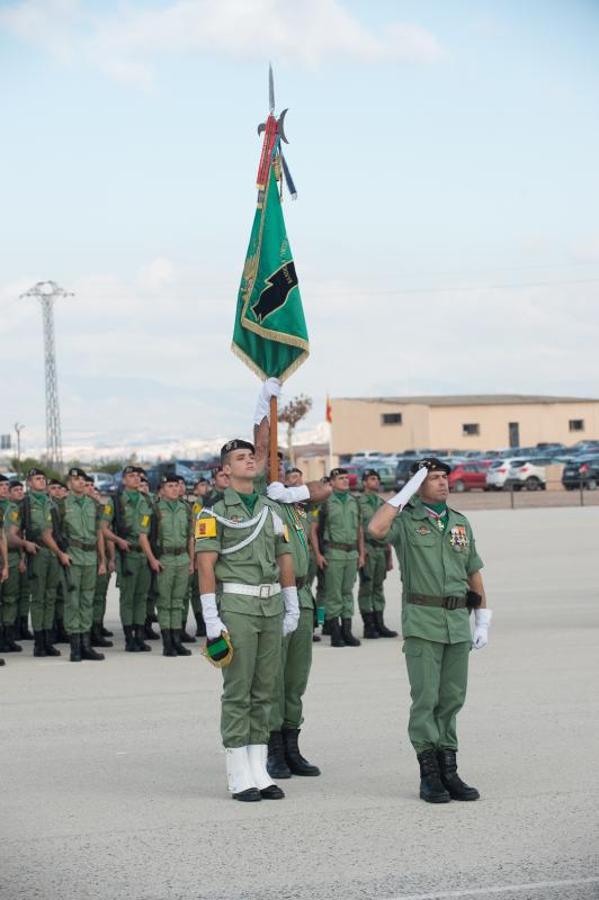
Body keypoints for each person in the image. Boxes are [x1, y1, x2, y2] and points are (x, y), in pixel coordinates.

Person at [368, 458, 493, 804]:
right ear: (418, 485)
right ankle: (429, 774)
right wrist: (404, 494)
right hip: (423, 621)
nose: (443, 483)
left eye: (444, 477)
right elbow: (376, 529)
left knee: (452, 698)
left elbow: (473, 571)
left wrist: (483, 618)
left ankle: (449, 769)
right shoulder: (406, 522)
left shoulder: (460, 523)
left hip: (457, 623)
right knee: (426, 699)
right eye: (433, 478)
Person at [196, 439, 299, 802]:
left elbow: (284, 556)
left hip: (271, 605)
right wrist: (211, 618)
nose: (250, 461)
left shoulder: (271, 509)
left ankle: (259, 768)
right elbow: (205, 566)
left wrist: (292, 603)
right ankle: (238, 772)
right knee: (238, 690)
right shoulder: (213, 513)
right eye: (240, 458)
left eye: (251, 456)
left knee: (265, 690)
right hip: (238, 606)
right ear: (226, 470)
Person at [252, 379, 331, 777]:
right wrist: (263, 403)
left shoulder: (292, 500)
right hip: (273, 599)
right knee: (272, 677)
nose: (278, 467)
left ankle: (292, 744)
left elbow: (323, 489)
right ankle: (272, 747)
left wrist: (293, 492)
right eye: (273, 463)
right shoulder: (259, 500)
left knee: (296, 678)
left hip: (302, 596)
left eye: (282, 464)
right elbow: (260, 446)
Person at [44, 467, 106, 662]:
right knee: (73, 601)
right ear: (69, 484)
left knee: (87, 601)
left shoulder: (93, 504)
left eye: (82, 479)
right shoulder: (60, 505)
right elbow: (47, 534)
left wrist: (102, 559)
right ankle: (75, 648)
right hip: (72, 558)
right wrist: (60, 553)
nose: (80, 482)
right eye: (76, 479)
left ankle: (86, 646)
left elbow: (98, 534)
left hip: (90, 558)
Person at [310, 467, 365, 647]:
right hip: (333, 553)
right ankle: (334, 632)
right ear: (332, 482)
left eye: (346, 478)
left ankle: (347, 631)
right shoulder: (324, 503)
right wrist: (318, 554)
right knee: (333, 595)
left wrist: (361, 553)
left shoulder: (354, 501)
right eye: (341, 478)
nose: (345, 480)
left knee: (347, 593)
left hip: (351, 554)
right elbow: (313, 530)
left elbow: (359, 530)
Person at [103, 465, 154, 652]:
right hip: (127, 554)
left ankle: (139, 636)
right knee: (128, 598)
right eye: (131, 476)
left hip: (144, 554)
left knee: (141, 597)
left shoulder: (146, 500)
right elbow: (104, 528)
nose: (136, 478)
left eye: (138, 476)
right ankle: (129, 638)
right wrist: (118, 540)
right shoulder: (115, 501)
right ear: (124, 480)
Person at [148, 474, 195, 657]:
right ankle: (167, 643)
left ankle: (177, 640)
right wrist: (152, 559)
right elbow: (143, 536)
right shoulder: (155, 509)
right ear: (162, 490)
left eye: (176, 485)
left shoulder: (186, 508)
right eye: (170, 486)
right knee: (165, 602)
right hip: (165, 559)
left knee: (178, 602)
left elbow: (190, 537)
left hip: (182, 558)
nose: (175, 489)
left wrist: (191, 561)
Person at [22, 468, 62, 658]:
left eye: (43, 479)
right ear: (29, 482)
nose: (42, 481)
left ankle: (48, 640)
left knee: (51, 596)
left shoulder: (51, 502)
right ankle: (39, 643)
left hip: (52, 553)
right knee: (38, 598)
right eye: (37, 479)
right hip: (37, 552)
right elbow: (13, 532)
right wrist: (24, 546)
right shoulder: (24, 504)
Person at [357, 469, 397, 639]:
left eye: (377, 479)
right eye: (372, 479)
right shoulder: (359, 503)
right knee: (367, 587)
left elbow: (386, 529)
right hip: (368, 549)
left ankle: (380, 623)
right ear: (364, 482)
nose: (376, 481)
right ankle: (369, 625)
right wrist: (361, 552)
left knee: (378, 587)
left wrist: (389, 555)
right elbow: (357, 529)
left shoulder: (382, 503)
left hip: (381, 550)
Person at [0, 474, 23, 653]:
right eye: (1, 485)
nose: (5, 488)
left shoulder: (13, 507)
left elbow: (18, 534)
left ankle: (8, 636)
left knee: (10, 598)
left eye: (6, 485)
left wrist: (21, 558)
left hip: (11, 557)